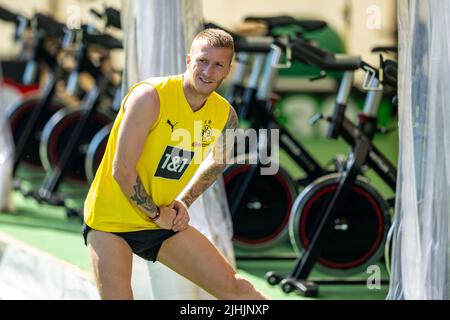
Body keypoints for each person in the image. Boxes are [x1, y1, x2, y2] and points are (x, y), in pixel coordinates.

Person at [83, 28, 269, 300]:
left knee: (239, 291)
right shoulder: (149, 97)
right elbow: (122, 171)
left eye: (218, 65)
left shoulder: (225, 115)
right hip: (111, 220)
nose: (208, 71)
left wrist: (184, 201)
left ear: (228, 70)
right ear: (188, 60)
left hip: (162, 223)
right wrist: (158, 215)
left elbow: (217, 163)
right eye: (202, 61)